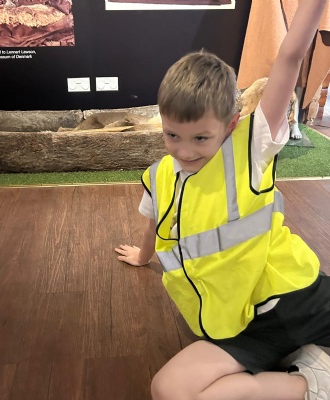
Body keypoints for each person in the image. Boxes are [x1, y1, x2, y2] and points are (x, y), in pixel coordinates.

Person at [115, 1, 330, 399]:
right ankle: (307, 370)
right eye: (172, 135)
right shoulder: (159, 176)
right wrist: (143, 257)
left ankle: (312, 379)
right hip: (241, 321)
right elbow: (155, 223)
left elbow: (289, 57)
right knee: (166, 389)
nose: (184, 151)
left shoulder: (251, 146)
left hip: (294, 299)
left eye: (201, 138)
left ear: (230, 125)